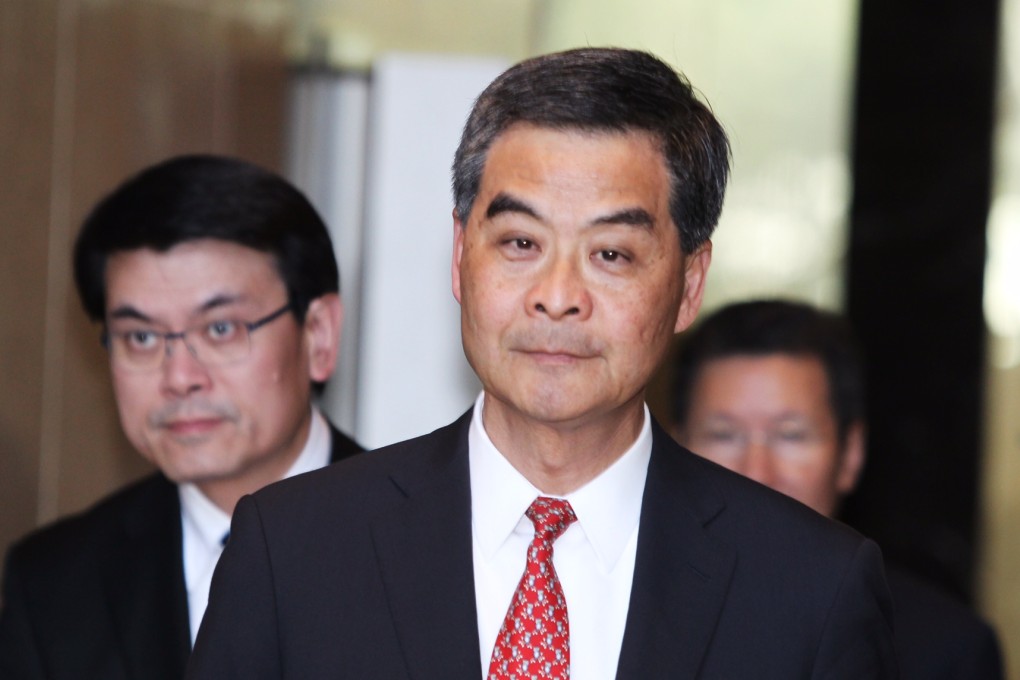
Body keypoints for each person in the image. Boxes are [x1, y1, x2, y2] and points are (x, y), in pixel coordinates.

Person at [187, 48, 897, 679]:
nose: (558, 298)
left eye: (611, 255)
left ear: (688, 284)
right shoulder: (295, 550)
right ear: (462, 255)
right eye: (521, 244)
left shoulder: (811, 589)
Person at [0, 154, 363, 680]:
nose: (179, 377)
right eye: (141, 338)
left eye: (220, 329)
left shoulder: (441, 549)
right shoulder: (54, 586)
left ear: (318, 335)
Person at [671, 298, 1004, 680]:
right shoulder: (621, 604)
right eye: (723, 435)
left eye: (791, 435)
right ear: (674, 450)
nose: (756, 473)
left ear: (850, 455)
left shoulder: (945, 650)